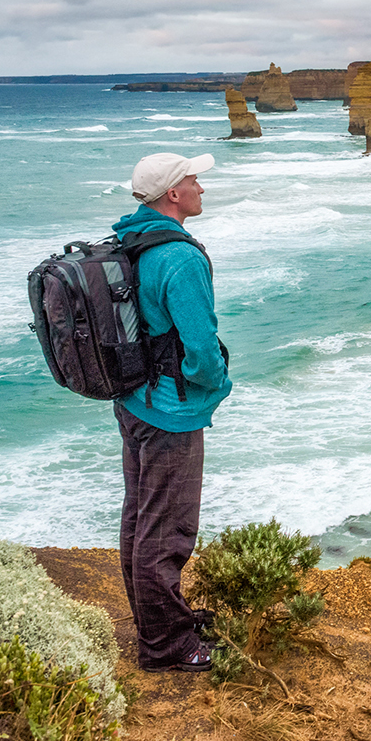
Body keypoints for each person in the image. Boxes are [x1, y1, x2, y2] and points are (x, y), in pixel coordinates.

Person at [111, 152, 233, 672]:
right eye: (193, 180)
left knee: (141, 516)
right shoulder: (179, 258)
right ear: (173, 195)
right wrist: (219, 385)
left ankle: (159, 619)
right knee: (167, 530)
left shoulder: (129, 240)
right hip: (169, 413)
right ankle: (165, 646)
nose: (201, 186)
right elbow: (201, 348)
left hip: (134, 399)